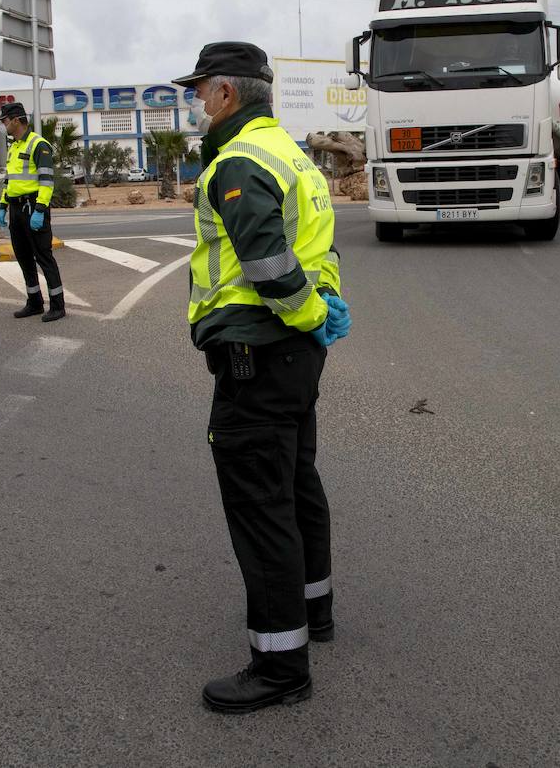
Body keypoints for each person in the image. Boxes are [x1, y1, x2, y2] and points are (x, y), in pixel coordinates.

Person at [173, 42, 352, 713]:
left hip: (259, 353)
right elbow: (321, 249)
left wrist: (305, 312)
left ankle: (280, 665)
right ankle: (316, 611)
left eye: (199, 92)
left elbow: (270, 264)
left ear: (225, 93)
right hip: (294, 357)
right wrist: (323, 310)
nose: (196, 104)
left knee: (260, 503)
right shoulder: (294, 156)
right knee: (296, 480)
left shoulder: (239, 161)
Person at [0, 101, 65, 322]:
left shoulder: (38, 145)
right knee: (24, 257)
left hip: (33, 207)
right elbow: (9, 181)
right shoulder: (14, 147)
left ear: (16, 120)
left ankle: (58, 306)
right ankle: (34, 302)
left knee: (43, 257)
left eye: (4, 120)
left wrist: (40, 210)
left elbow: (46, 181)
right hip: (16, 208)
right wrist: (2, 205)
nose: (3, 124)